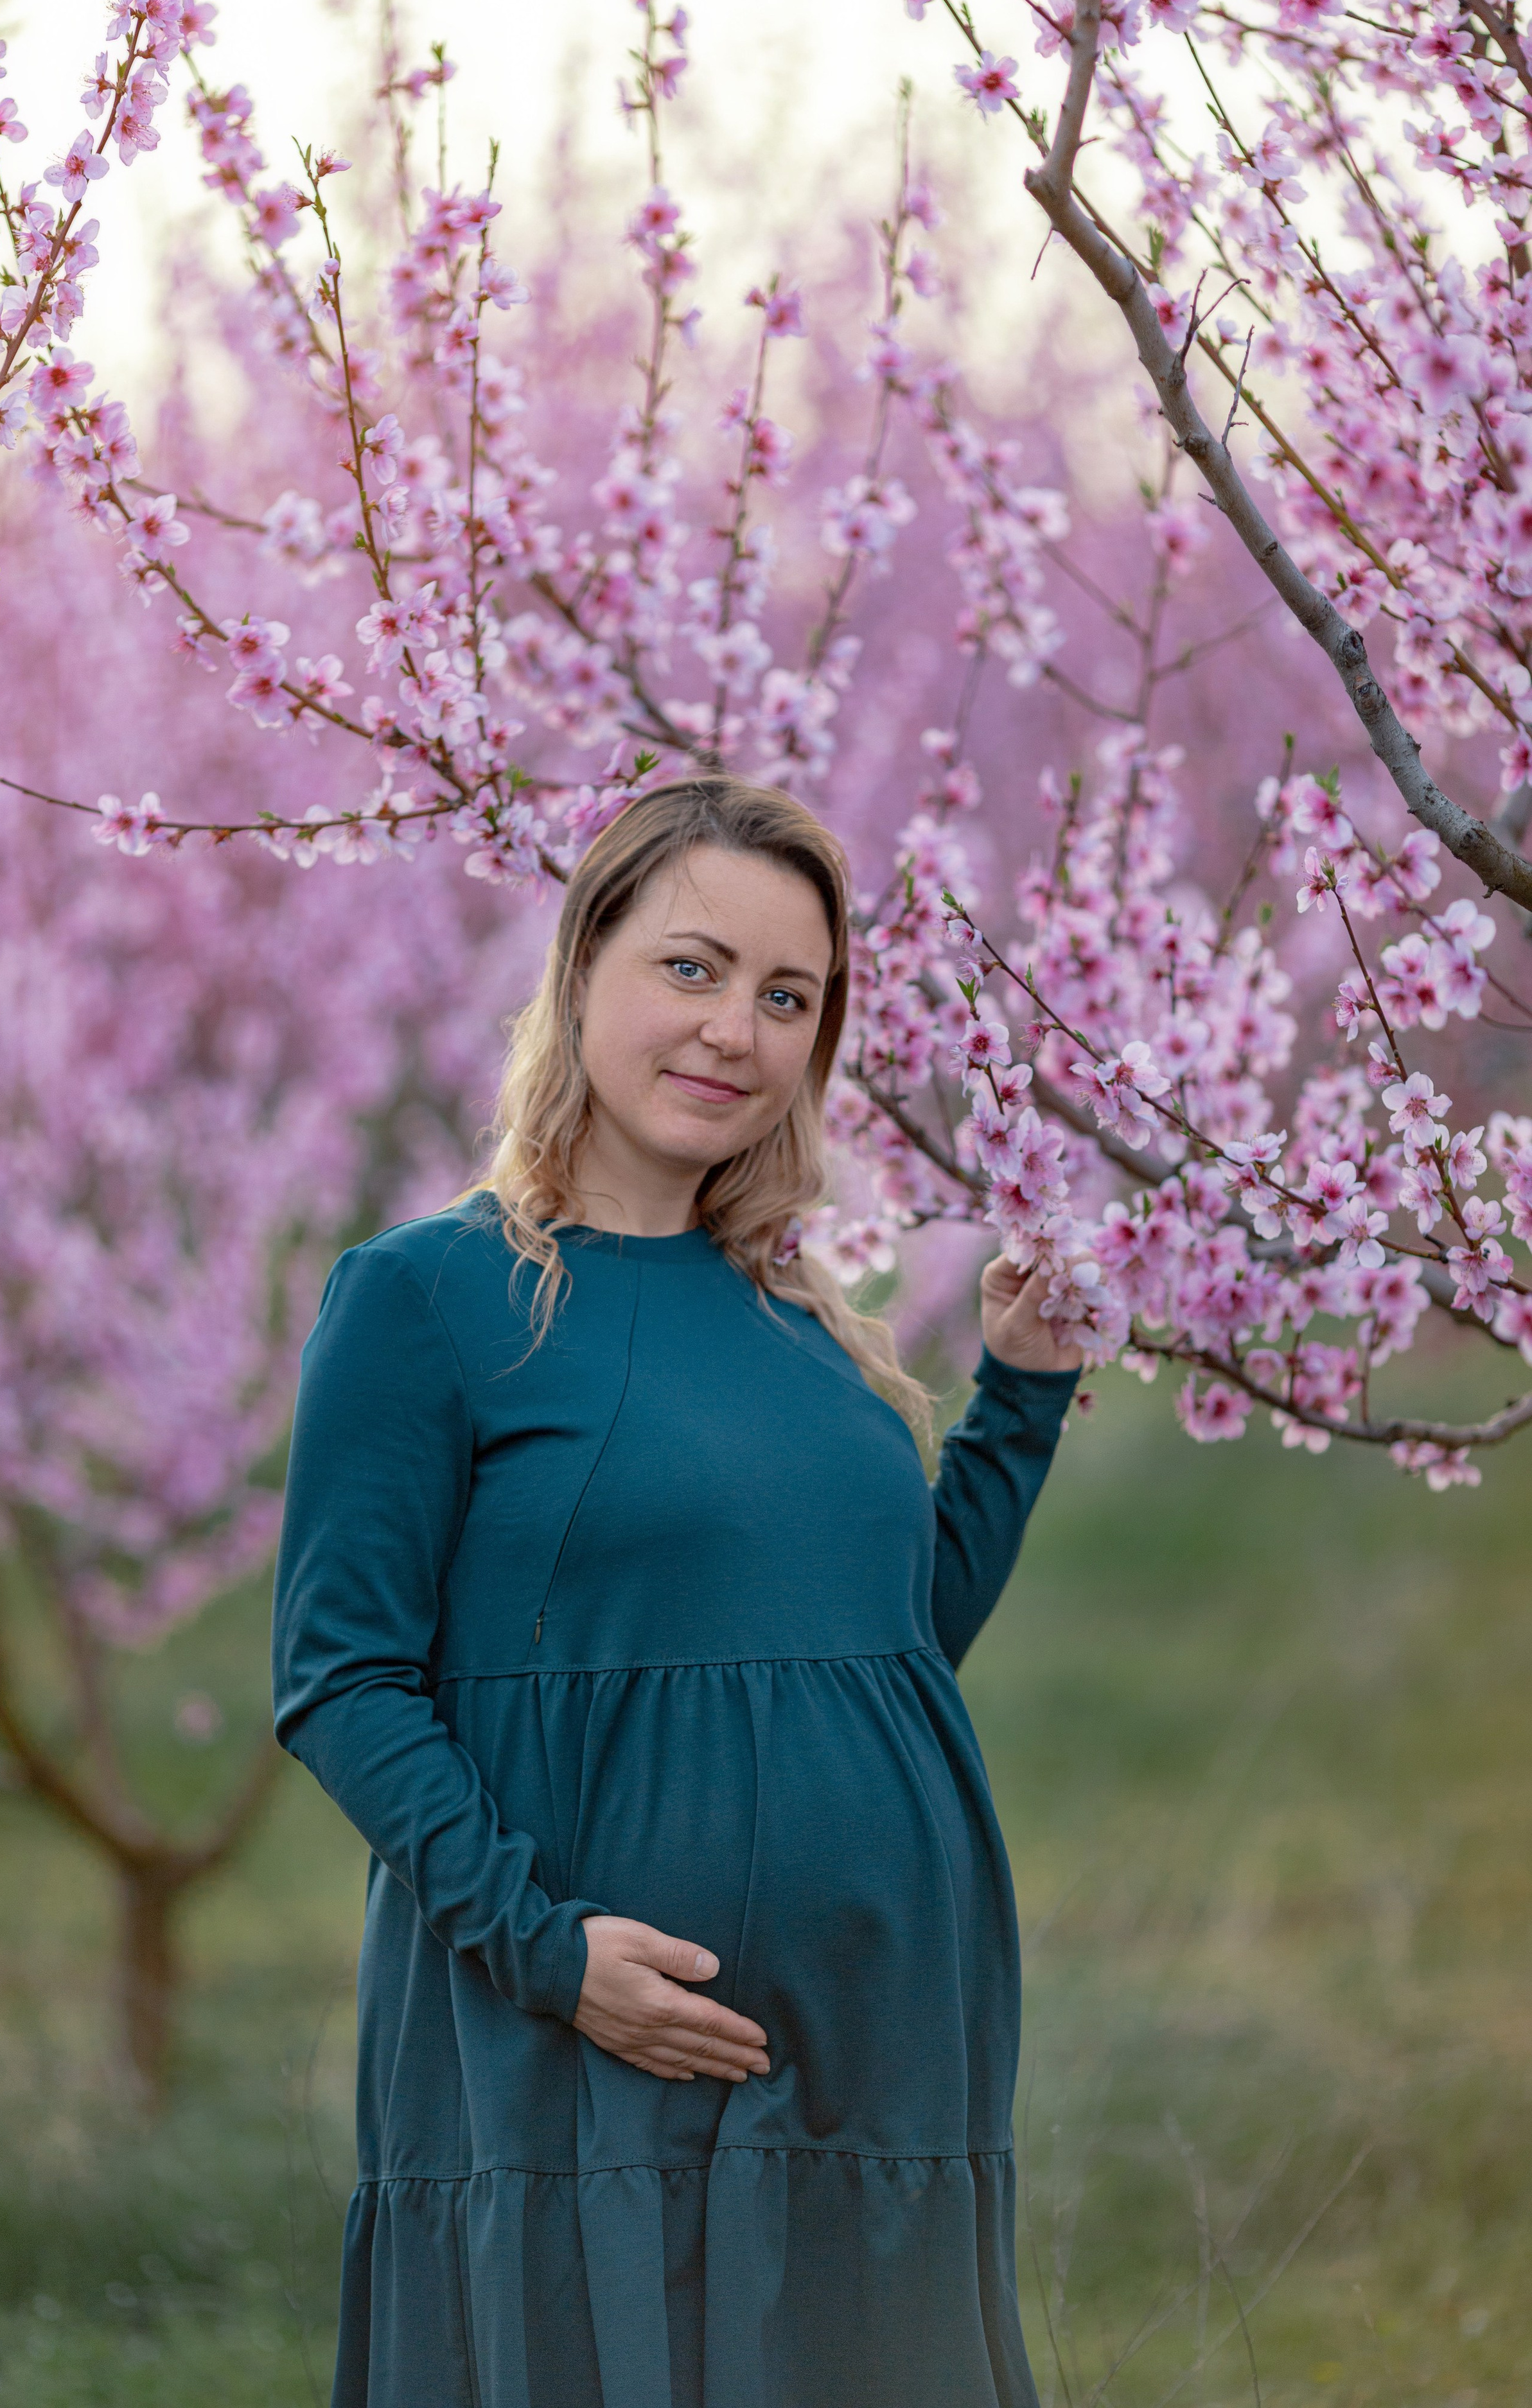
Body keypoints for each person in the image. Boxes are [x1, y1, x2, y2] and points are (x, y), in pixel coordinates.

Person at [272, 775, 1083, 2408]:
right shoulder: (427, 1299)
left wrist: (1021, 1393)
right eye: (693, 968)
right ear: (585, 968)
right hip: (579, 2059)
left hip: (872, 2059)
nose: (736, 1030)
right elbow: (339, 1678)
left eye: (787, 997)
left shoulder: (800, 1322)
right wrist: (547, 1952)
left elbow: (887, 1647)